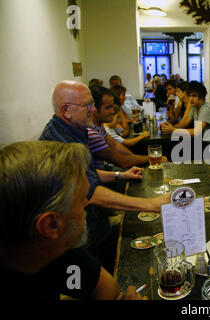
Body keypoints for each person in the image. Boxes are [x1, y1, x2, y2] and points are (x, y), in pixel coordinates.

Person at [0, 140, 147, 300]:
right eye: (82, 198)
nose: (87, 202)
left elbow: (110, 293)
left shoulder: (58, 247)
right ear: (51, 225)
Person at [39, 80, 170, 251]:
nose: (93, 110)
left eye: (93, 104)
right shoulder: (60, 144)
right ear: (66, 110)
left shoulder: (74, 129)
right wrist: (150, 204)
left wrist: (120, 175)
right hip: (75, 235)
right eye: (88, 105)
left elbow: (87, 174)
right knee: (150, 232)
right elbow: (89, 192)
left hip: (87, 219)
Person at [88, 86, 153, 170]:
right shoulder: (91, 133)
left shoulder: (99, 126)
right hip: (100, 178)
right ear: (94, 108)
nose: (113, 111)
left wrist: (133, 157)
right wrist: (152, 158)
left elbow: (115, 145)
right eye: (108, 108)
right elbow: (123, 162)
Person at [160, 81, 210, 156]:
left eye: (194, 96)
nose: (191, 99)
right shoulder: (194, 107)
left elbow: (196, 132)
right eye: (189, 96)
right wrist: (168, 127)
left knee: (178, 150)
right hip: (204, 143)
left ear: (201, 97)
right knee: (171, 147)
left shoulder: (206, 109)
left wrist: (173, 130)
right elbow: (184, 124)